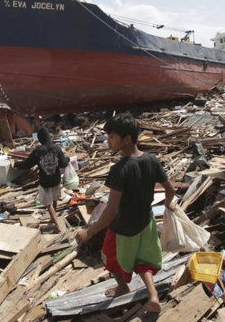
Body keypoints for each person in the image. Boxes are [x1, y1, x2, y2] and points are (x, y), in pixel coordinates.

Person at [75, 112, 176, 315]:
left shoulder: (120, 170)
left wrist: (90, 232)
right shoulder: (152, 160)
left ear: (127, 139)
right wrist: (168, 205)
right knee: (143, 261)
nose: (108, 141)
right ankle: (153, 296)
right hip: (146, 222)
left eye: (112, 137)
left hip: (123, 227)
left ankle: (122, 287)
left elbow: (111, 211)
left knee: (109, 257)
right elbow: (170, 189)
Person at [15, 127, 70, 233]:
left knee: (48, 204)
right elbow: (63, 164)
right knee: (54, 199)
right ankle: (52, 219)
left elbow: (27, 164)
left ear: (40, 139)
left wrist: (16, 164)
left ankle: (57, 226)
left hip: (45, 181)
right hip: (56, 179)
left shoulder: (37, 151)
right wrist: (67, 159)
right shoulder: (57, 148)